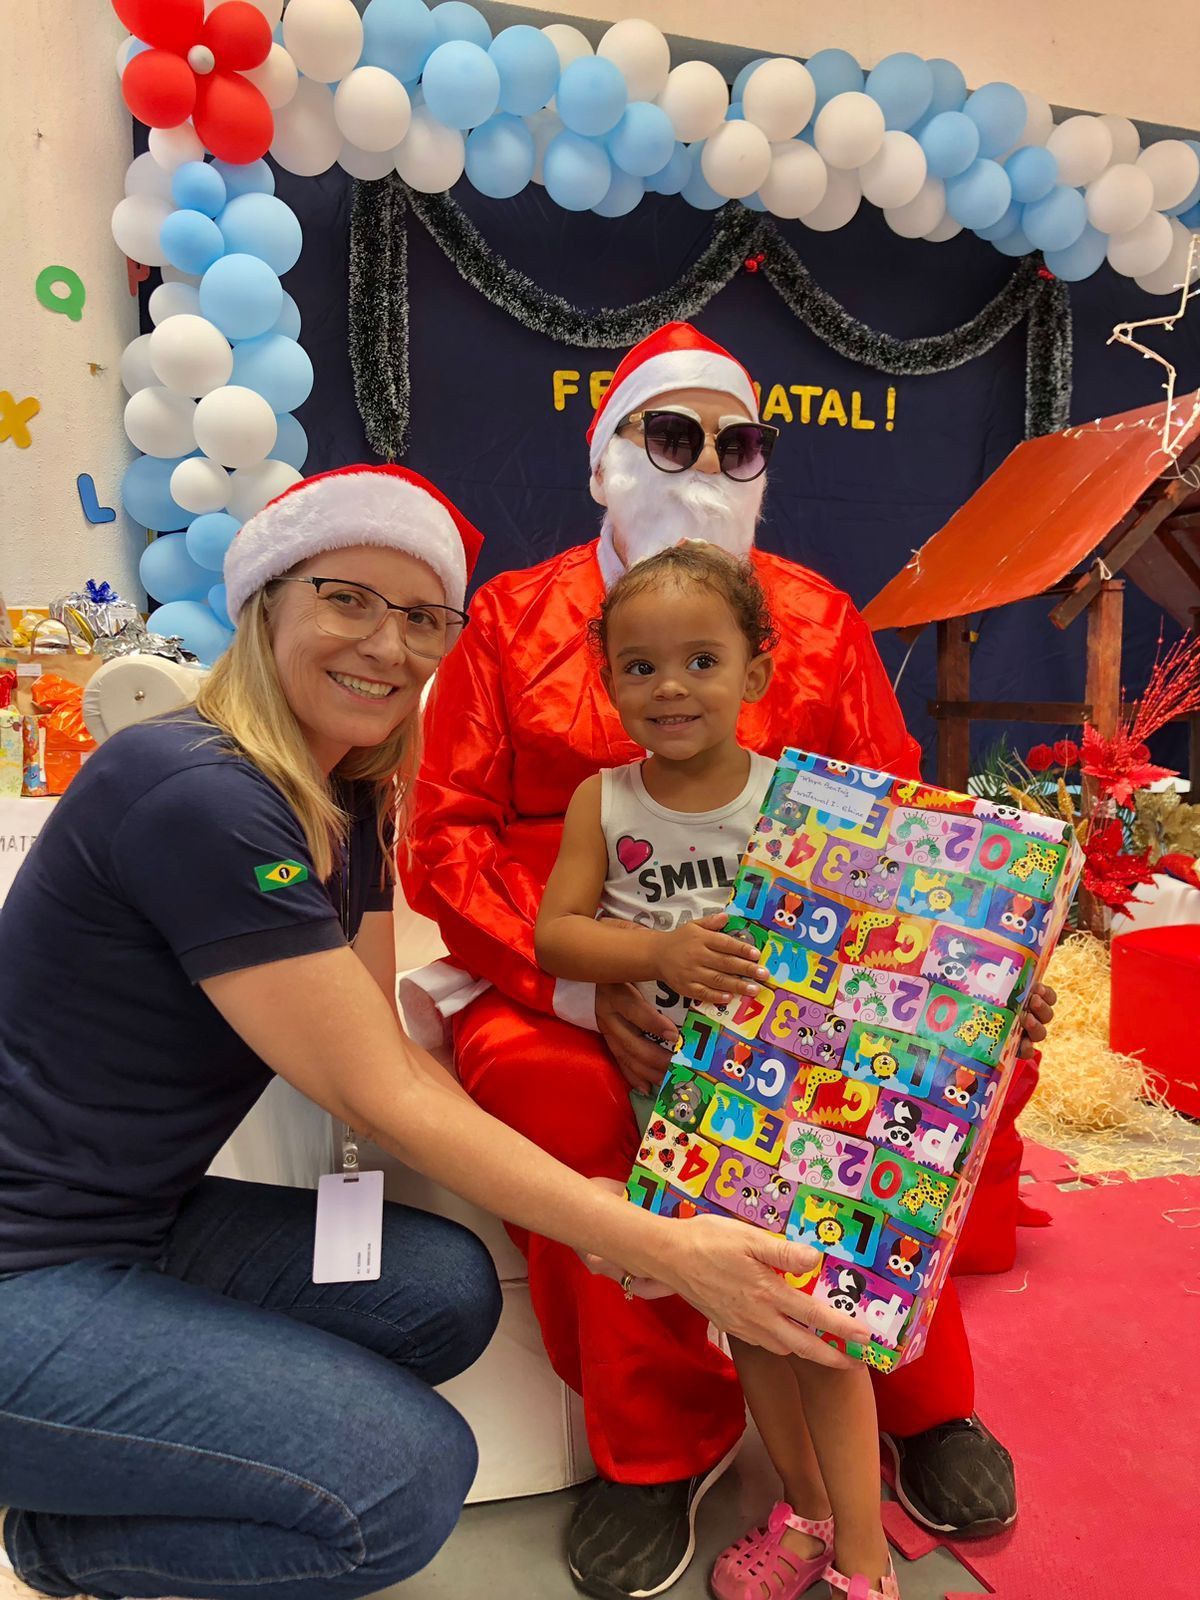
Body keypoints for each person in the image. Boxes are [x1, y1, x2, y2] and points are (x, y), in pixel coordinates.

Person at [0, 464, 861, 1600]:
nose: (387, 644)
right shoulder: (194, 789)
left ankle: (146, 1435)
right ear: (268, 600)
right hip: (32, 1264)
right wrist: (650, 1236)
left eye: (421, 618)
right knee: (404, 1482)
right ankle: (59, 1546)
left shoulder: (343, 796)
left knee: (441, 1286)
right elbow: (378, 1090)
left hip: (135, 1219)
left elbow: (382, 1044)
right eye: (347, 597)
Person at [402, 323, 1056, 1600]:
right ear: (606, 458)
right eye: (670, 433)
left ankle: (919, 1396)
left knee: (895, 1098)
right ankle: (656, 1448)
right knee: (575, 1101)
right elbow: (448, 839)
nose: (706, 461)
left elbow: (905, 832)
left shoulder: (813, 617)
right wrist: (596, 986)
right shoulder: (516, 617)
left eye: (737, 441)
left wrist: (963, 987)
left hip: (801, 982)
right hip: (570, 957)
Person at [536, 544, 899, 1600]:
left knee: (824, 1337)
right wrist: (653, 951)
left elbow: (883, 936)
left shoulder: (809, 796)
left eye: (701, 659)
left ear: (757, 669)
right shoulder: (601, 801)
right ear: (608, 681)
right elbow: (558, 934)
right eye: (640, 667)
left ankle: (867, 1568)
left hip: (808, 1116)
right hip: (686, 1122)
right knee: (749, 1326)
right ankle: (808, 1513)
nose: (671, 687)